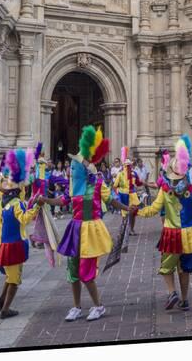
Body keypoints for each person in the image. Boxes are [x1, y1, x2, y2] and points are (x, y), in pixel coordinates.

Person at [44, 126, 134, 322]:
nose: (72, 167)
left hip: (91, 232)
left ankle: (98, 306)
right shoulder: (74, 187)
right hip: (75, 230)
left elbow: (111, 200)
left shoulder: (98, 184)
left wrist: (127, 209)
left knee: (86, 273)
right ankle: (76, 307)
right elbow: (63, 201)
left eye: (76, 164)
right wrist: (44, 200)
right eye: (73, 164)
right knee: (73, 272)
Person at [134, 140, 192, 311]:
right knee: (184, 269)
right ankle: (184, 300)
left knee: (166, 267)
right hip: (191, 234)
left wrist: (137, 211)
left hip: (172, 233)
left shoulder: (164, 189)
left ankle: (172, 292)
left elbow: (154, 209)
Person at [0, 148, 44, 319]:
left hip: (2, 246)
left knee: (10, 276)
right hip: (14, 246)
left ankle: (0, 300)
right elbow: (25, 218)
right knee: (14, 279)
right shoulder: (16, 204)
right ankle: (5, 309)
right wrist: (36, 206)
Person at [113, 147, 143, 235]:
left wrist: (147, 184)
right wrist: (119, 194)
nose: (128, 167)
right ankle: (125, 230)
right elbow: (114, 186)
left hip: (132, 196)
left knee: (133, 213)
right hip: (124, 196)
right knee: (125, 214)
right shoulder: (120, 174)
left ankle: (131, 229)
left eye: (130, 165)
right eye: (127, 165)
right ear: (124, 166)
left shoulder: (134, 174)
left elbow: (138, 182)